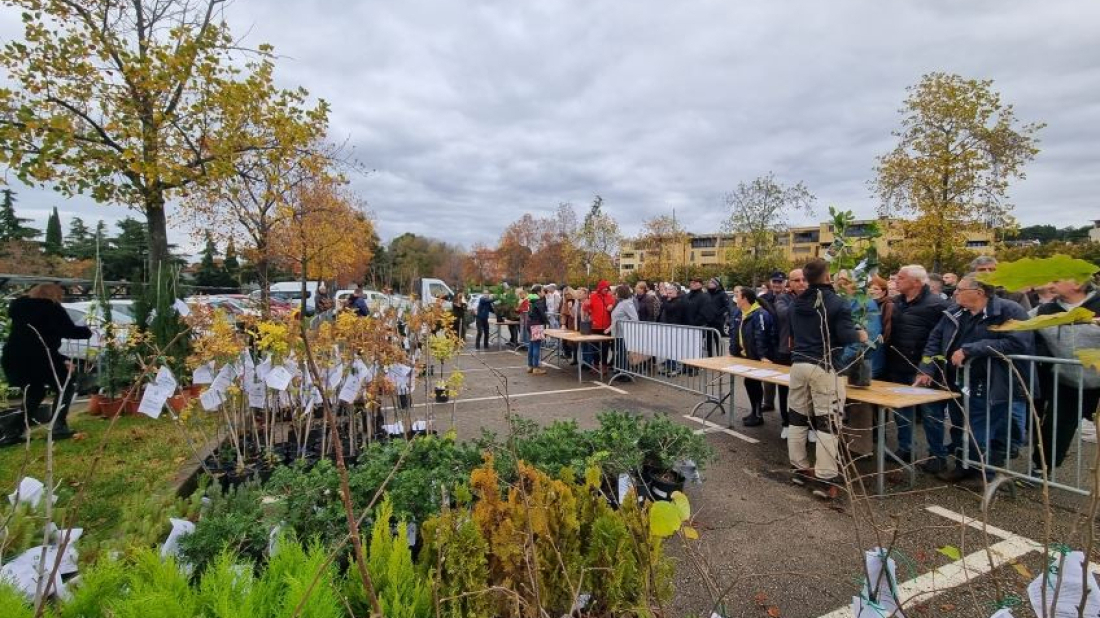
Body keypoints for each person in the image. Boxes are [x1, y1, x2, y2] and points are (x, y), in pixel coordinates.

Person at [916, 274, 1033, 482]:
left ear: (979, 293)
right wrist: (926, 368)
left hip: (993, 382)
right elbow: (935, 339)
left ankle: (984, 472)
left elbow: (1018, 343)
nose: (955, 293)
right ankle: (965, 465)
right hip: (958, 381)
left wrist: (970, 350)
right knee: (960, 425)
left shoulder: (1010, 311)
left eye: (960, 290)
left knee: (981, 428)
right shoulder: (955, 312)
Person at [787, 258, 866, 498]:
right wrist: (859, 334)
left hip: (798, 364)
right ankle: (825, 478)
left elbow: (793, 333)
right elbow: (843, 336)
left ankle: (799, 469)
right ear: (827, 276)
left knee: (797, 418)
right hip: (823, 365)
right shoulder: (837, 303)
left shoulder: (796, 304)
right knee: (827, 422)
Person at [1, 284, 92, 443]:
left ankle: (12, 432)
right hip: (40, 357)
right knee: (65, 385)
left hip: (14, 357)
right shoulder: (52, 308)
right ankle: (58, 425)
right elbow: (69, 331)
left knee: (34, 392)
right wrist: (87, 331)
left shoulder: (17, 307)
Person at [1031, 277, 1100, 472]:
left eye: (1057, 280)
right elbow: (1018, 323)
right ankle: (1041, 470)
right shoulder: (1045, 310)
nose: (1051, 284)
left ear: (1077, 283)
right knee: (1055, 429)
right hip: (1066, 381)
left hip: (1098, 381)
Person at [885, 265, 949, 469]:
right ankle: (905, 448)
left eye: (901, 278)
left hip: (924, 369)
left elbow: (941, 339)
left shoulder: (936, 305)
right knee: (901, 412)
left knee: (931, 414)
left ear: (917, 282)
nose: (896, 280)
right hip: (898, 365)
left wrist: (929, 367)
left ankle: (936, 455)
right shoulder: (895, 303)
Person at [730, 288, 776, 427]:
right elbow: (734, 334)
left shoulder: (760, 314)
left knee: (753, 383)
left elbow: (760, 336)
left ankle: (757, 415)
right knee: (750, 383)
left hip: (756, 357)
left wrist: (762, 356)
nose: (735, 298)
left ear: (744, 299)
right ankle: (754, 412)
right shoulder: (739, 313)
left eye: (737, 296)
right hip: (746, 357)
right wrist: (733, 351)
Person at [773, 268, 806, 438]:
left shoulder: (814, 297)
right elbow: (784, 314)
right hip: (786, 351)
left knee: (806, 391)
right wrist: (800, 300)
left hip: (807, 351)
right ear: (790, 283)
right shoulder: (783, 298)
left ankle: (808, 424)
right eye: (797, 280)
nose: (801, 283)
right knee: (785, 390)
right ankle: (786, 422)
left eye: (804, 279)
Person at [759, 272, 787, 412]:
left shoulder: (790, 298)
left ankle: (786, 407)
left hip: (784, 341)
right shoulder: (763, 299)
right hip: (769, 341)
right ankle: (768, 402)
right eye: (774, 281)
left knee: (784, 376)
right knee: (768, 375)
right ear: (770, 282)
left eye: (780, 282)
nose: (777, 284)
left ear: (784, 283)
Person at [608, 284, 639, 372]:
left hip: (624, 334)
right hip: (618, 333)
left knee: (623, 353)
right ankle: (620, 370)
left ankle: (625, 372)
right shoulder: (621, 303)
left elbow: (635, 318)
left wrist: (623, 324)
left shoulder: (627, 303)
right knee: (620, 353)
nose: (615, 294)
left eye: (616, 292)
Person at [587, 281, 616, 371]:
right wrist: (586, 307)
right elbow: (588, 308)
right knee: (595, 347)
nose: (606, 290)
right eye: (604, 288)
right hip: (595, 326)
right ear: (600, 288)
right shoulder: (593, 297)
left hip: (606, 327)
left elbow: (614, 308)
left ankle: (604, 365)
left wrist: (611, 307)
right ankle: (595, 364)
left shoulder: (610, 297)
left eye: (607, 288)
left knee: (605, 347)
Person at [705, 277, 731, 356]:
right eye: (709, 282)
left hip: (718, 321)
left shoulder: (722, 294)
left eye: (712, 282)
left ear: (717, 284)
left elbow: (727, 306)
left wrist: (718, 313)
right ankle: (710, 357)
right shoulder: (706, 294)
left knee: (718, 340)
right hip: (708, 321)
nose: (709, 284)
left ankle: (719, 356)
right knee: (709, 342)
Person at [525, 285, 548, 375]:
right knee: (536, 346)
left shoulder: (530, 299)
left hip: (530, 323)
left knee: (531, 345)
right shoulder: (538, 301)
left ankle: (530, 366)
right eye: (542, 291)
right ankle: (536, 367)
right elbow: (542, 313)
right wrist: (546, 321)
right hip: (536, 324)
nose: (544, 292)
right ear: (538, 292)